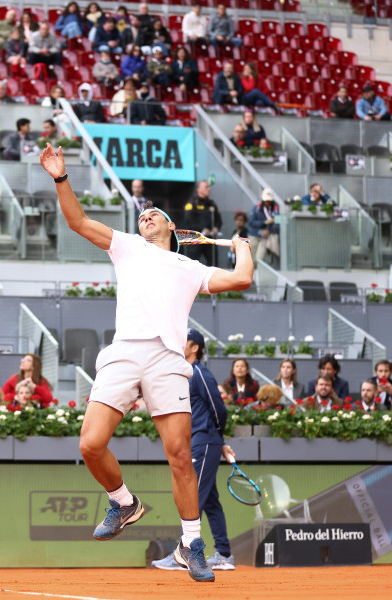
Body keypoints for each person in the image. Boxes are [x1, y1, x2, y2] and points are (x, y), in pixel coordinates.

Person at [39, 143, 253, 583]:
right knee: (90, 444)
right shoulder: (127, 247)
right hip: (123, 352)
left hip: (167, 359)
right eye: (142, 214)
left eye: (154, 214)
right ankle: (123, 502)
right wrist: (61, 178)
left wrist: (242, 246)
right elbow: (77, 221)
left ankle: (191, 544)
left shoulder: (190, 267)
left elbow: (243, 276)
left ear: (172, 226)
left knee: (179, 456)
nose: (146, 216)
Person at [152, 328, 235, 572]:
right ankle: (224, 554)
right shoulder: (187, 374)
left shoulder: (199, 373)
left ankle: (185, 553)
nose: (179, 344)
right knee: (209, 500)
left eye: (183, 341)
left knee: (194, 496)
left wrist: (217, 440)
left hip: (205, 441)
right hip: (200, 441)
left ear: (195, 347)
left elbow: (219, 409)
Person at [182, 180, 222, 266]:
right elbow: (189, 221)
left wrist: (216, 228)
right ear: (199, 189)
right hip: (196, 239)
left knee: (214, 264)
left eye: (209, 187)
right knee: (192, 264)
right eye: (206, 187)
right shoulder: (192, 203)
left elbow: (219, 220)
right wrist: (202, 229)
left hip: (209, 239)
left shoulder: (211, 204)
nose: (209, 189)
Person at [248, 188, 280, 263]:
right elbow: (251, 222)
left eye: (269, 200)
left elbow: (278, 225)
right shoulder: (256, 208)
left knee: (259, 259)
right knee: (251, 259)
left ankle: (258, 273)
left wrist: (268, 231)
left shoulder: (276, 209)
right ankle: (252, 274)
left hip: (265, 237)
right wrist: (264, 222)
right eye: (266, 200)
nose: (267, 202)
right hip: (254, 235)